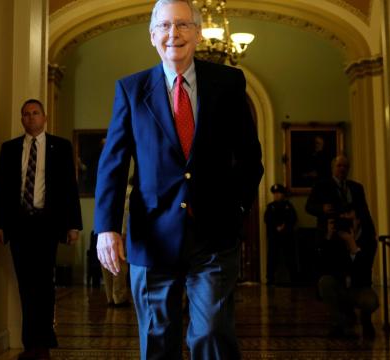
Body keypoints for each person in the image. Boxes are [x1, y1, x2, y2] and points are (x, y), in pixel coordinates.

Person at [94, 1, 264, 358]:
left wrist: (237, 208)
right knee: (158, 337)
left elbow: (250, 158)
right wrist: (106, 228)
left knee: (212, 334)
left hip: (215, 235)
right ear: (152, 35)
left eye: (184, 25)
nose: (175, 34)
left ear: (199, 33)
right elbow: (113, 163)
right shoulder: (131, 89)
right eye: (166, 26)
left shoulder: (228, 83)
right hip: (151, 236)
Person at [0, 99, 83, 360]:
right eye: (26, 114)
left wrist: (73, 226)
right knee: (25, 285)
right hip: (19, 225)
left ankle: (42, 343)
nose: (30, 118)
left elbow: (69, 188)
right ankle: (31, 344)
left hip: (47, 225)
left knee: (44, 284)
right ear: (22, 119)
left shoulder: (61, 147)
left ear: (44, 118)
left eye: (35, 113)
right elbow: (0, 189)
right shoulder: (9, 149)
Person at [305, 155, 378, 339]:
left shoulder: (356, 188)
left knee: (362, 288)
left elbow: (364, 210)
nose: (342, 169)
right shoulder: (322, 185)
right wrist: (324, 213)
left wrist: (358, 236)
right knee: (329, 280)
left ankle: (364, 318)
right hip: (331, 234)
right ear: (332, 167)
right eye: (339, 166)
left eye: (346, 166)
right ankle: (341, 320)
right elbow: (309, 206)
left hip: (356, 236)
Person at [100, 178, 133, 307]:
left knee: (107, 263)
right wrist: (124, 233)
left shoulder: (111, 191)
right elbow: (126, 216)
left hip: (106, 231)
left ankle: (110, 297)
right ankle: (119, 297)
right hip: (121, 231)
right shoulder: (130, 193)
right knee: (120, 264)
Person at [264, 184, 297, 285]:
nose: (277, 195)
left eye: (279, 193)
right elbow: (267, 220)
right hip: (274, 237)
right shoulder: (270, 207)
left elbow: (293, 218)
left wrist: (285, 226)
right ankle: (270, 278)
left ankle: (293, 277)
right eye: (275, 194)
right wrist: (276, 227)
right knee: (272, 258)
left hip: (287, 237)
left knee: (290, 257)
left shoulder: (288, 206)